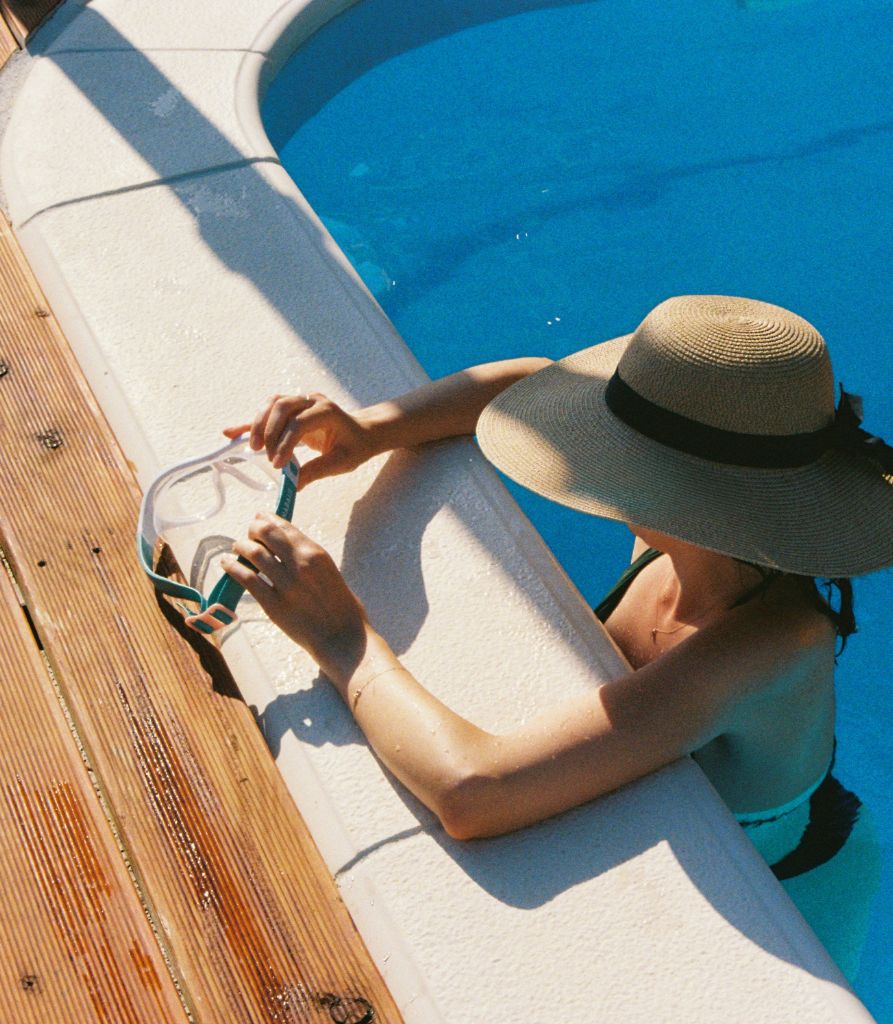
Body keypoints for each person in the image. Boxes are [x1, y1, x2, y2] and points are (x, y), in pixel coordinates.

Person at [221, 294, 893, 875]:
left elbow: (473, 794)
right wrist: (372, 428)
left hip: (794, 874)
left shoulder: (772, 644)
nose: (596, 456)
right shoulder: (695, 535)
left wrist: (342, 636)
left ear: (687, 492)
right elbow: (522, 386)